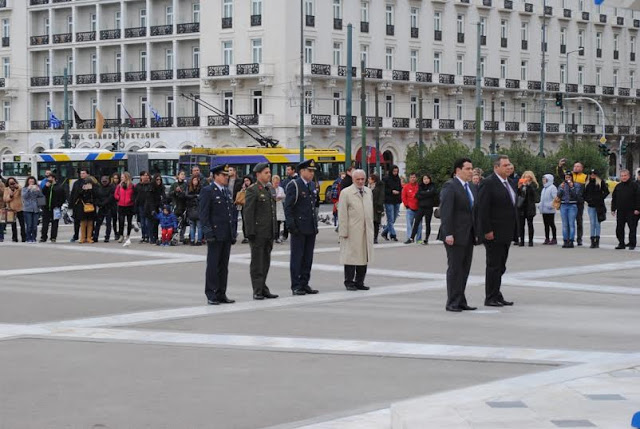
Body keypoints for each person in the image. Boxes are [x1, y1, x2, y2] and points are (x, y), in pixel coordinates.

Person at [477, 155, 517, 307]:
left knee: (501, 265)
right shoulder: (488, 183)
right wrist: (487, 230)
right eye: (505, 165)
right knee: (493, 265)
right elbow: (482, 209)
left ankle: (497, 293)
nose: (508, 167)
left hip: (507, 232)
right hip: (493, 232)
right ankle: (490, 297)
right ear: (496, 167)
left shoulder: (511, 183)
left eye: (509, 164)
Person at [438, 158, 477, 312]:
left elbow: (473, 212)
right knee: (455, 269)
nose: (471, 171)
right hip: (454, 235)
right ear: (458, 170)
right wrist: (448, 233)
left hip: (468, 234)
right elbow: (446, 212)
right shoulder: (450, 186)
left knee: (465, 269)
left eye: (471, 168)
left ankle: (461, 300)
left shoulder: (472, 187)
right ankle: (452, 302)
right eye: (468, 169)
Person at [199, 164, 236, 305]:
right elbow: (204, 214)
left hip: (226, 234)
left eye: (227, 175)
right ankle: (211, 293)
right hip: (215, 233)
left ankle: (221, 292)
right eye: (224, 175)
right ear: (215, 176)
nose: (226, 177)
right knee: (213, 265)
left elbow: (230, 214)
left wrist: (232, 233)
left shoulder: (226, 192)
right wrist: (208, 232)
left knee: (223, 265)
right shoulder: (208, 191)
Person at [244, 163, 280, 300]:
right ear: (258, 174)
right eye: (266, 173)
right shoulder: (253, 190)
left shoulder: (269, 188)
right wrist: (250, 232)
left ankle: (263, 287)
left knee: (265, 262)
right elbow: (248, 213)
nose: (269, 175)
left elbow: (272, 212)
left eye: (269, 172)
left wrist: (275, 230)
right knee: (257, 262)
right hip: (258, 233)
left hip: (268, 232)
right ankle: (257, 290)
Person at [284, 159, 319, 296]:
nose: (311, 174)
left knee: (308, 257)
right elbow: (288, 207)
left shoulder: (310, 185)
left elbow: (312, 207)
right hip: (298, 227)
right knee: (297, 257)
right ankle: (296, 285)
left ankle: (305, 283)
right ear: (302, 171)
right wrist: (291, 225)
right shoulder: (295, 185)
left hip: (310, 227)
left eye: (312, 172)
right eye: (309, 171)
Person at [338, 169, 374, 291]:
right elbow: (342, 214)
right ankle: (349, 281)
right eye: (357, 179)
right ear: (353, 180)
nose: (360, 181)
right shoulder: (346, 193)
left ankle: (360, 281)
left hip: (365, 230)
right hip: (352, 230)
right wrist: (343, 231)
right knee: (351, 257)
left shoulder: (368, 192)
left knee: (364, 256)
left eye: (362, 179)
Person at [611, 169, 640, 250]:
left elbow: (638, 197)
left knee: (632, 228)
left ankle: (632, 244)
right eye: (622, 176)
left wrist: (638, 209)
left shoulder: (634, 186)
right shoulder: (618, 186)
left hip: (632, 211)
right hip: (620, 211)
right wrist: (613, 209)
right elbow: (614, 198)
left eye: (625, 175)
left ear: (629, 176)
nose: (623, 177)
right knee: (619, 228)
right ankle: (621, 243)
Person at [583, 169, 609, 249]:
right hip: (591, 206)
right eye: (591, 174)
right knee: (592, 223)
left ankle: (597, 240)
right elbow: (584, 194)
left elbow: (606, 192)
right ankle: (592, 240)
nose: (592, 175)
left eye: (594, 174)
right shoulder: (587, 182)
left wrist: (601, 198)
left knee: (598, 223)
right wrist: (588, 200)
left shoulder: (600, 182)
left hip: (599, 206)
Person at [409, 174, 437, 245]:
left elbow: (432, 193)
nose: (426, 180)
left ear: (429, 179)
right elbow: (417, 195)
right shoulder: (420, 186)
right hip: (421, 207)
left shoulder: (432, 185)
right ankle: (411, 238)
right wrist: (427, 193)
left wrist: (423, 194)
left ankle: (426, 239)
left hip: (429, 207)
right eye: (424, 179)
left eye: (427, 179)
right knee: (416, 222)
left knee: (428, 223)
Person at [557, 171, 583, 248]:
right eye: (566, 177)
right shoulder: (562, 185)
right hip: (564, 205)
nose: (567, 179)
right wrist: (561, 188)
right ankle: (565, 240)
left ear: (571, 177)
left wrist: (572, 187)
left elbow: (576, 195)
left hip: (572, 205)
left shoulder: (576, 185)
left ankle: (571, 241)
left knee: (571, 223)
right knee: (565, 224)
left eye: (569, 177)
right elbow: (558, 195)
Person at [40, 173, 67, 243]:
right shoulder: (46, 186)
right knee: (45, 224)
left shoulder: (59, 187)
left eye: (50, 178)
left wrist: (59, 204)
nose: (48, 179)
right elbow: (42, 193)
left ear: (53, 178)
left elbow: (63, 197)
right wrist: (46, 187)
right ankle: (43, 237)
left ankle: (53, 237)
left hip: (55, 208)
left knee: (55, 224)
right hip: (46, 208)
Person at [516, 171, 538, 247]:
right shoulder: (521, 185)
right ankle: (521, 240)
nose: (526, 178)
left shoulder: (533, 185)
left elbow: (534, 195)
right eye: (525, 177)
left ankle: (530, 241)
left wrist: (528, 186)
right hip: (521, 207)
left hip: (529, 207)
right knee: (521, 225)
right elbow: (517, 195)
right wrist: (519, 187)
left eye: (528, 177)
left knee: (530, 224)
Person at [381, 165, 402, 241]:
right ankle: (393, 235)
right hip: (389, 200)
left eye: (396, 171)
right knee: (390, 218)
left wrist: (399, 192)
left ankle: (384, 232)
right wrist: (391, 191)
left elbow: (400, 187)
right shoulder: (386, 179)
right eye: (394, 171)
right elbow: (383, 189)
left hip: (397, 200)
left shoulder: (398, 179)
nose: (395, 173)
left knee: (394, 218)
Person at [93, 175, 116, 243]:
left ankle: (107, 237)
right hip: (101, 207)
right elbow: (96, 197)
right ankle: (95, 236)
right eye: (103, 181)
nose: (104, 182)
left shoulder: (112, 187)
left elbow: (111, 197)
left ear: (108, 181)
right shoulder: (98, 188)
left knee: (108, 223)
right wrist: (98, 204)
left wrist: (103, 203)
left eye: (105, 181)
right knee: (98, 223)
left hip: (109, 207)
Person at [21, 176, 44, 243]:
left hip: (36, 208)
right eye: (30, 181)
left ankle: (34, 238)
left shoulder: (37, 188)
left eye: (33, 181)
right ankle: (28, 238)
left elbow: (41, 196)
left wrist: (38, 191)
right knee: (29, 225)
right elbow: (24, 196)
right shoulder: (24, 188)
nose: (31, 183)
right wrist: (28, 189)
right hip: (27, 209)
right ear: (28, 182)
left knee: (34, 226)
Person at [114, 172, 136, 245]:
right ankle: (121, 235)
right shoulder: (119, 186)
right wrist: (118, 198)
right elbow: (116, 194)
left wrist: (131, 199)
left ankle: (128, 235)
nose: (121, 178)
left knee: (129, 222)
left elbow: (134, 194)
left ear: (126, 177)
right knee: (121, 221)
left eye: (122, 177)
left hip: (129, 205)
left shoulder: (132, 186)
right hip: (121, 205)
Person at [69, 170, 90, 242]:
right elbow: (73, 194)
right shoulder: (76, 183)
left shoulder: (90, 182)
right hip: (77, 204)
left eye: (83, 173)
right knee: (76, 221)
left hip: (86, 204)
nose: (82, 175)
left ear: (87, 174)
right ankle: (76, 235)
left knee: (86, 221)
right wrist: (71, 204)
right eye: (81, 173)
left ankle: (87, 236)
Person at [3, 177, 25, 242]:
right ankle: (14, 238)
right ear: (8, 183)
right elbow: (5, 199)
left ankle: (24, 237)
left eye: (13, 182)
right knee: (13, 225)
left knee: (22, 224)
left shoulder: (18, 188)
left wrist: (17, 186)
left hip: (19, 208)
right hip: (11, 209)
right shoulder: (6, 189)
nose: (12, 184)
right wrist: (10, 196)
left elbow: (22, 189)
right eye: (10, 183)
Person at [169, 170, 188, 243]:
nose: (183, 176)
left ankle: (182, 236)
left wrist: (181, 191)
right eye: (181, 174)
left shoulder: (186, 185)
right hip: (176, 205)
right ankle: (174, 236)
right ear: (178, 175)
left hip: (183, 205)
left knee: (183, 222)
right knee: (174, 221)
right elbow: (170, 194)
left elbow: (186, 194)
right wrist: (175, 191)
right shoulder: (174, 184)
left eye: (184, 174)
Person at [280, 164, 298, 241]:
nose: (287, 171)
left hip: (296, 202)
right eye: (286, 170)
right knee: (286, 218)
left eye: (288, 170)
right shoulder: (286, 180)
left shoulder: (298, 180)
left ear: (293, 170)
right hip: (287, 202)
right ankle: (285, 233)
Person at [134, 172, 153, 243]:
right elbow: (134, 196)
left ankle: (148, 236)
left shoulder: (150, 185)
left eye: (147, 175)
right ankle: (143, 236)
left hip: (148, 206)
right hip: (140, 206)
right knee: (142, 222)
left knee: (147, 222)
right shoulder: (137, 186)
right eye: (144, 176)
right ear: (141, 177)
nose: (146, 177)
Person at [539, 174, 558, 245]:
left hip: (550, 209)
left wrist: (551, 205)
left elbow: (555, 198)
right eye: (543, 179)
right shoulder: (544, 188)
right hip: (544, 209)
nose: (543, 181)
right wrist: (540, 205)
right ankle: (547, 238)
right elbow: (542, 199)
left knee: (551, 224)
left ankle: (554, 238)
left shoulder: (552, 188)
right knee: (546, 224)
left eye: (545, 179)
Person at [402, 173, 421, 244]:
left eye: (414, 177)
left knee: (419, 225)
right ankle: (410, 238)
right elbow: (403, 197)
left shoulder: (419, 187)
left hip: (419, 209)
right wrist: (407, 205)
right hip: (410, 209)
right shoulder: (406, 187)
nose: (413, 178)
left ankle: (419, 239)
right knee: (409, 225)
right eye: (411, 177)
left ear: (416, 178)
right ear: (409, 178)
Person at [572, 162, 588, 246]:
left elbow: (587, 189)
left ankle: (579, 238)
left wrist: (584, 198)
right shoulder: (570, 175)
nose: (576, 168)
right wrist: (559, 166)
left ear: (582, 168)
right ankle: (570, 237)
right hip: (570, 202)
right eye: (575, 166)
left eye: (578, 166)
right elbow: (561, 175)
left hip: (579, 203)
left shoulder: (585, 177)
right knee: (570, 221)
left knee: (579, 221)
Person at [77, 175, 97, 243]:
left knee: (90, 223)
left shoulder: (94, 188)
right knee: (83, 223)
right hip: (83, 207)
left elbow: (96, 195)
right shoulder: (82, 187)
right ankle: (82, 237)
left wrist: (91, 189)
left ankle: (89, 237)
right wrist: (84, 190)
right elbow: (79, 195)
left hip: (91, 207)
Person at [185, 175, 203, 246]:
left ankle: (199, 240)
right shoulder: (189, 188)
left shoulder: (200, 188)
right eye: (194, 180)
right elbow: (186, 195)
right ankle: (192, 240)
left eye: (196, 180)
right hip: (191, 208)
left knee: (199, 226)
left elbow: (201, 197)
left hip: (198, 208)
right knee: (192, 226)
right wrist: (195, 196)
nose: (195, 181)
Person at [149, 173, 166, 244]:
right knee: (153, 224)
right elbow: (150, 200)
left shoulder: (162, 188)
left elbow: (164, 197)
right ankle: (152, 238)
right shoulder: (152, 188)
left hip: (160, 207)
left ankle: (157, 238)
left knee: (158, 223)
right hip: (152, 207)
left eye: (160, 180)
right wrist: (152, 209)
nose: (158, 181)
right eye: (157, 179)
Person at [227, 166, 243, 239]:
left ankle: (233, 234)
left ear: (234, 171)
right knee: (227, 219)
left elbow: (240, 191)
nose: (229, 172)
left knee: (234, 219)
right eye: (228, 170)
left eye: (230, 170)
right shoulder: (226, 180)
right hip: (227, 201)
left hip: (235, 201)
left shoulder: (239, 181)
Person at [369, 173, 385, 244]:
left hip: (376, 207)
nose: (368, 180)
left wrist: (380, 207)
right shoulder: (368, 186)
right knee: (370, 223)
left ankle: (375, 238)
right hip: (369, 207)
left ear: (373, 180)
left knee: (376, 223)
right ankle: (370, 237)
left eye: (370, 179)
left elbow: (381, 197)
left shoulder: (379, 186)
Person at [237, 175, 253, 244]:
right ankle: (246, 236)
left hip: (252, 207)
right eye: (245, 181)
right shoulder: (243, 189)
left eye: (247, 180)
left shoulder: (253, 188)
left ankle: (251, 235)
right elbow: (239, 197)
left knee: (251, 221)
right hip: (244, 207)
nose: (246, 182)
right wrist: (243, 190)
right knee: (245, 221)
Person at [272, 174, 286, 243]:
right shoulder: (270, 189)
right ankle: (273, 236)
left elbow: (283, 195)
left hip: (279, 206)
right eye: (275, 182)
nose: (276, 184)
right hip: (272, 207)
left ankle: (277, 237)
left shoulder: (281, 188)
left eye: (277, 182)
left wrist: (280, 197)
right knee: (272, 223)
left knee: (278, 222)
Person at [110, 173, 121, 241]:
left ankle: (120, 232)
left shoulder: (121, 185)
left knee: (120, 219)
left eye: (117, 178)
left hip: (120, 203)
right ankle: (115, 233)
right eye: (114, 178)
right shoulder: (111, 186)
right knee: (114, 220)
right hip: (113, 204)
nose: (116, 180)